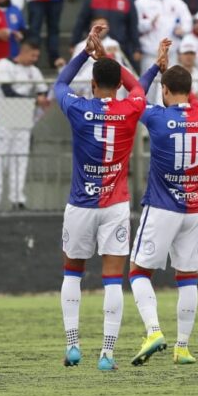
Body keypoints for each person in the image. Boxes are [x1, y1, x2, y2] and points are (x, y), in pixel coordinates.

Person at [54, 23, 146, 371]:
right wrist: (106, 55)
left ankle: (73, 345)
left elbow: (59, 84)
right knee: (112, 279)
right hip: (115, 204)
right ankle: (107, 353)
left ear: (92, 85)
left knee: (72, 273)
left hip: (80, 204)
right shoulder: (130, 108)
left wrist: (85, 54)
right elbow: (137, 86)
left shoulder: (78, 108)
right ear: (118, 84)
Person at [128, 40, 198, 367]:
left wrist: (155, 66)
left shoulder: (155, 117)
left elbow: (135, 94)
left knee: (138, 272)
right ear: (190, 90)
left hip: (162, 206)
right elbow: (188, 106)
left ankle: (153, 331)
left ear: (164, 90)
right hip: (194, 208)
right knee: (187, 276)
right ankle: (183, 347)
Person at [0, 40, 49, 210]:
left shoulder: (34, 70)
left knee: (20, 159)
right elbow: (7, 91)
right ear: (23, 51)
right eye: (33, 55)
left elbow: (42, 90)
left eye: (37, 56)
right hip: (1, 112)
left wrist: (42, 98)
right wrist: (34, 100)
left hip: (22, 111)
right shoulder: (4, 65)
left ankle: (18, 198)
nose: (34, 59)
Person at [135, 0, 192, 98]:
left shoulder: (178, 3)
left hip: (171, 53)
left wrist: (182, 30)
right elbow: (136, 26)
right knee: (148, 86)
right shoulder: (141, 2)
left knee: (171, 85)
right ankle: (145, 115)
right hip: (149, 53)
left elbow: (188, 23)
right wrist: (148, 24)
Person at [73, 0, 139, 66]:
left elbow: (133, 27)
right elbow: (81, 21)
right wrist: (74, 42)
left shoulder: (127, 0)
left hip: (120, 47)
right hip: (96, 47)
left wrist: (136, 48)